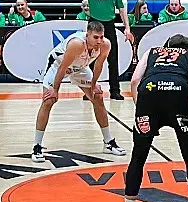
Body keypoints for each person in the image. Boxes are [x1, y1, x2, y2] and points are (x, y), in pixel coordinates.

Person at [114, 35, 188, 202]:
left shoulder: (152, 51)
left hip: (149, 93)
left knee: (137, 158)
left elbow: (135, 79)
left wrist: (141, 110)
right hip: (180, 94)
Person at [33, 20, 126, 163]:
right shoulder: (77, 44)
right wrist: (55, 90)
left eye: (101, 37)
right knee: (49, 100)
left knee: (98, 98)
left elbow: (98, 65)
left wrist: (94, 84)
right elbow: (63, 67)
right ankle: (37, 146)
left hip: (80, 68)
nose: (99, 40)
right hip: (58, 66)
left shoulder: (105, 44)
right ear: (87, 35)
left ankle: (108, 142)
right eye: (95, 37)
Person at [74, 0, 135, 101]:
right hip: (94, 24)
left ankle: (115, 90)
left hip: (109, 25)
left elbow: (122, 10)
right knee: (91, 59)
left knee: (112, 58)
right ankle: (90, 89)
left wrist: (127, 28)